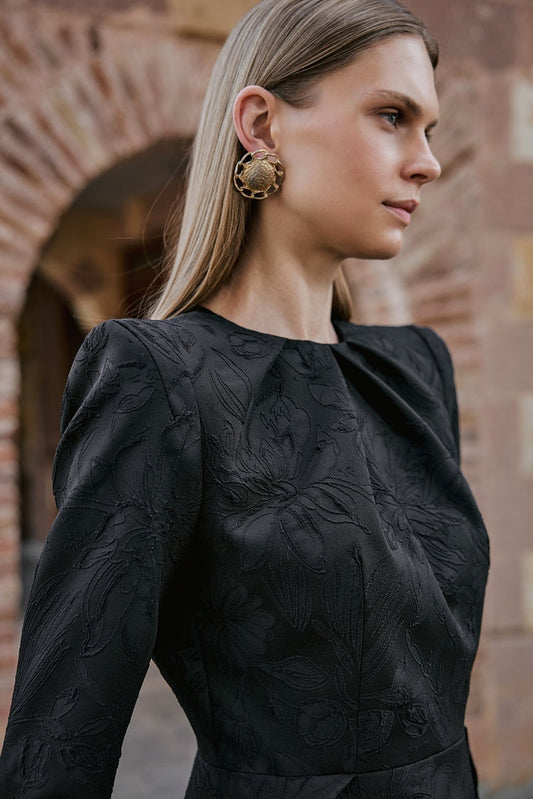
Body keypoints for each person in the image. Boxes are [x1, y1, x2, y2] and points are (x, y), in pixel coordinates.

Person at [0, 0, 490, 796]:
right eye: (391, 117)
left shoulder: (413, 370)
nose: (427, 162)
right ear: (261, 125)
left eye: (428, 129)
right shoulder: (159, 378)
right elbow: (61, 737)